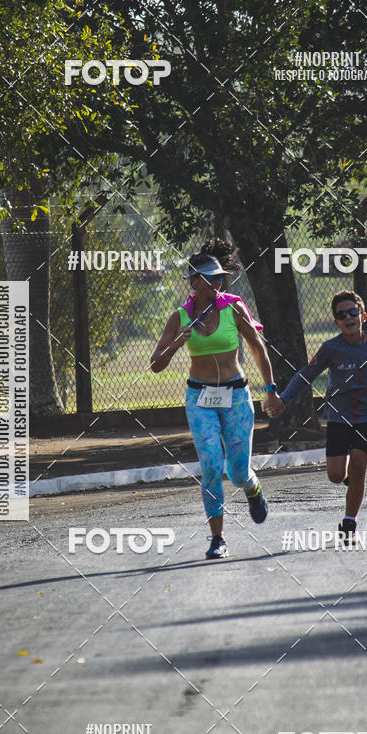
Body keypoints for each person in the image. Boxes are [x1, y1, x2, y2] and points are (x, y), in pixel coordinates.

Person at [150, 238, 278, 560]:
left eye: (220, 277)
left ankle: (252, 487)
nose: (217, 283)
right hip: (200, 397)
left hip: (235, 394)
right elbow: (156, 365)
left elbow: (258, 348)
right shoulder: (180, 317)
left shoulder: (234, 307)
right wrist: (177, 344)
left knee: (237, 473)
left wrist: (270, 389)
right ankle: (217, 539)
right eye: (210, 278)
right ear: (194, 282)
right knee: (209, 466)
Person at [263, 290, 367, 540]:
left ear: (362, 316)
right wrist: (283, 399)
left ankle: (349, 523)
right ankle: (347, 477)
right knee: (336, 475)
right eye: (342, 315)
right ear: (336, 322)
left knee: (360, 467)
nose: (348, 317)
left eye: (353, 312)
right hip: (339, 416)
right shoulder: (331, 348)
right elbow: (306, 374)